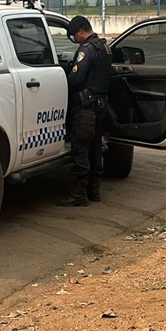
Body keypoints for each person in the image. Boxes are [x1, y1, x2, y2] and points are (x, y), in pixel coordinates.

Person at [57, 16, 113, 207]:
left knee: (80, 147)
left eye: (75, 36)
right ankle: (94, 190)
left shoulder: (86, 50)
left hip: (86, 108)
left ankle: (79, 193)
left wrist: (63, 79)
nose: (75, 39)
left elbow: (76, 78)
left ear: (81, 30)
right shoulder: (104, 47)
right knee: (95, 146)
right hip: (101, 106)